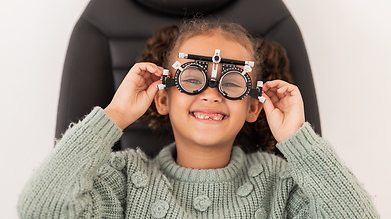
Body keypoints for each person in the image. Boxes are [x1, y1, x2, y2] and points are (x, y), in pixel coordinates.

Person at [18, 20, 379, 218]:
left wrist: (298, 140)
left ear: (253, 107)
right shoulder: (124, 180)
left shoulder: (280, 186)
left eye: (232, 83)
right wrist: (114, 116)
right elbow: (41, 209)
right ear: (162, 97)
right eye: (192, 79)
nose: (212, 93)